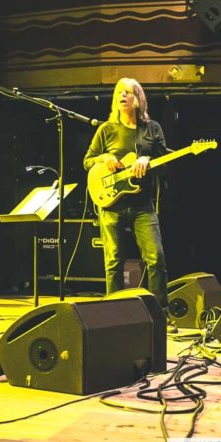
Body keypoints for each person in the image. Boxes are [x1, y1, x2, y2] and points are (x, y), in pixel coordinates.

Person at [83, 78, 171, 314]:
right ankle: (113, 313)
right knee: (113, 261)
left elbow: (166, 166)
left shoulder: (152, 129)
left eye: (128, 92)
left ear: (138, 99)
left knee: (156, 258)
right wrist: (104, 158)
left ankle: (160, 313)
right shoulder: (106, 129)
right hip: (112, 204)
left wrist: (148, 160)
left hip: (143, 205)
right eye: (119, 92)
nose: (123, 95)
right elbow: (87, 161)